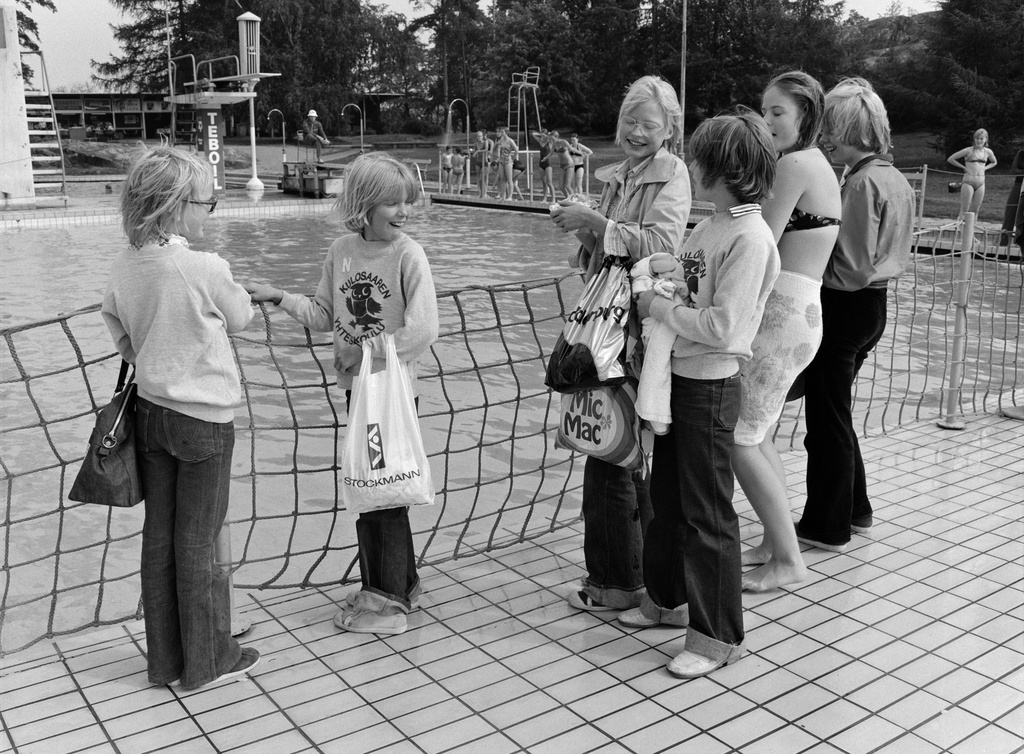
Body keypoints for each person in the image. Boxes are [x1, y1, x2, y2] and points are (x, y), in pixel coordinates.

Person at [243, 153, 439, 635]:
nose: (404, 212)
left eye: (407, 202)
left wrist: (363, 352)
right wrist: (279, 296)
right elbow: (323, 314)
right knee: (375, 486)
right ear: (364, 205)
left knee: (380, 492)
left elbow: (423, 330)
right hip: (359, 395)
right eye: (393, 203)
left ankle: (387, 605)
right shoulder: (341, 251)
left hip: (391, 397)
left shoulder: (408, 254)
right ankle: (401, 584)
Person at [625, 109, 781, 680]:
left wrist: (660, 307)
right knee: (667, 500)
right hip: (677, 379)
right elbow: (694, 290)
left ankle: (718, 636)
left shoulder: (751, 237)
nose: (691, 168)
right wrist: (667, 280)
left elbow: (725, 327)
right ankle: (667, 600)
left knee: (707, 513)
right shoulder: (711, 224)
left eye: (700, 161)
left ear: (726, 170)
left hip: (711, 385)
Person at [102, 146, 259, 690]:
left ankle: (166, 662)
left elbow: (118, 330)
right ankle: (208, 660)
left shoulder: (125, 264)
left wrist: (153, 355)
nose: (209, 211)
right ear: (174, 206)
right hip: (203, 420)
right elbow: (241, 317)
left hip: (150, 415)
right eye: (206, 202)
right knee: (198, 542)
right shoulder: (202, 266)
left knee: (160, 540)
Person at [549, 75, 690, 614]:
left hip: (631, 329)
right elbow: (606, 250)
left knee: (611, 448)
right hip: (609, 323)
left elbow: (662, 246)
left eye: (649, 124)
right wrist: (581, 226)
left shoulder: (671, 173)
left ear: (668, 129)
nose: (636, 131)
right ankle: (647, 577)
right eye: (630, 120)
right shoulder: (622, 173)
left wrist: (597, 221)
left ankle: (616, 582)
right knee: (621, 447)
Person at [797, 78, 915, 553]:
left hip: (846, 305)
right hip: (874, 306)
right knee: (836, 412)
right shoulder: (894, 178)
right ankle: (855, 508)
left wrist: (802, 270)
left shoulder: (862, 182)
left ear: (853, 130)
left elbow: (850, 267)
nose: (826, 138)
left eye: (832, 129)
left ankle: (826, 525)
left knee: (826, 420)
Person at [736, 71, 842, 592]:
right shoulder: (817, 164)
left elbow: (759, 241)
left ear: (806, 115)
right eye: (764, 110)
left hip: (782, 315)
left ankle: (788, 560)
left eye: (778, 111)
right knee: (759, 433)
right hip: (800, 312)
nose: (767, 120)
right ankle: (774, 544)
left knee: (738, 437)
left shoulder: (793, 165)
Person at [947, 128, 997, 221]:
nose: (979, 141)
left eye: (981, 139)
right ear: (974, 139)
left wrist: (985, 168)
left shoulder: (988, 152)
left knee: (975, 211)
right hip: (968, 182)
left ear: (986, 139)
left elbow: (994, 162)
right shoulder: (968, 150)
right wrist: (963, 167)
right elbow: (951, 159)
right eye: (977, 138)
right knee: (964, 210)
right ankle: (961, 228)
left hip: (981, 183)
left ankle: (972, 230)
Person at [532, 129, 558, 203]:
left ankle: (553, 199)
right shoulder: (540, 142)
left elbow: (555, 139)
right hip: (541, 164)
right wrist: (541, 135)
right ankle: (544, 199)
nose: (542, 137)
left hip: (548, 164)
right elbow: (533, 134)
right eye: (541, 136)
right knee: (544, 183)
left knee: (549, 182)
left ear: (546, 136)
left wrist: (549, 135)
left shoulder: (549, 142)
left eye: (543, 136)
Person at [492, 128, 518, 201]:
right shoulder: (500, 141)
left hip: (508, 161)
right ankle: (503, 196)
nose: (500, 133)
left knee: (509, 179)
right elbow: (494, 149)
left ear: (506, 133)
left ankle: (510, 196)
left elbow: (516, 151)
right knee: (502, 178)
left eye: (502, 132)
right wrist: (496, 144)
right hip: (501, 161)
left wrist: (512, 159)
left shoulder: (510, 141)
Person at [473, 130, 494, 198]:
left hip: (484, 162)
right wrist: (475, 153)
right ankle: (480, 193)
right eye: (478, 136)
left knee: (482, 178)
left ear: (482, 137)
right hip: (478, 162)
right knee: (478, 178)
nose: (479, 137)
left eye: (480, 136)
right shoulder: (475, 144)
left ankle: (484, 193)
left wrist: (477, 151)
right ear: (477, 137)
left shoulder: (486, 142)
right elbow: (474, 154)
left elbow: (486, 149)